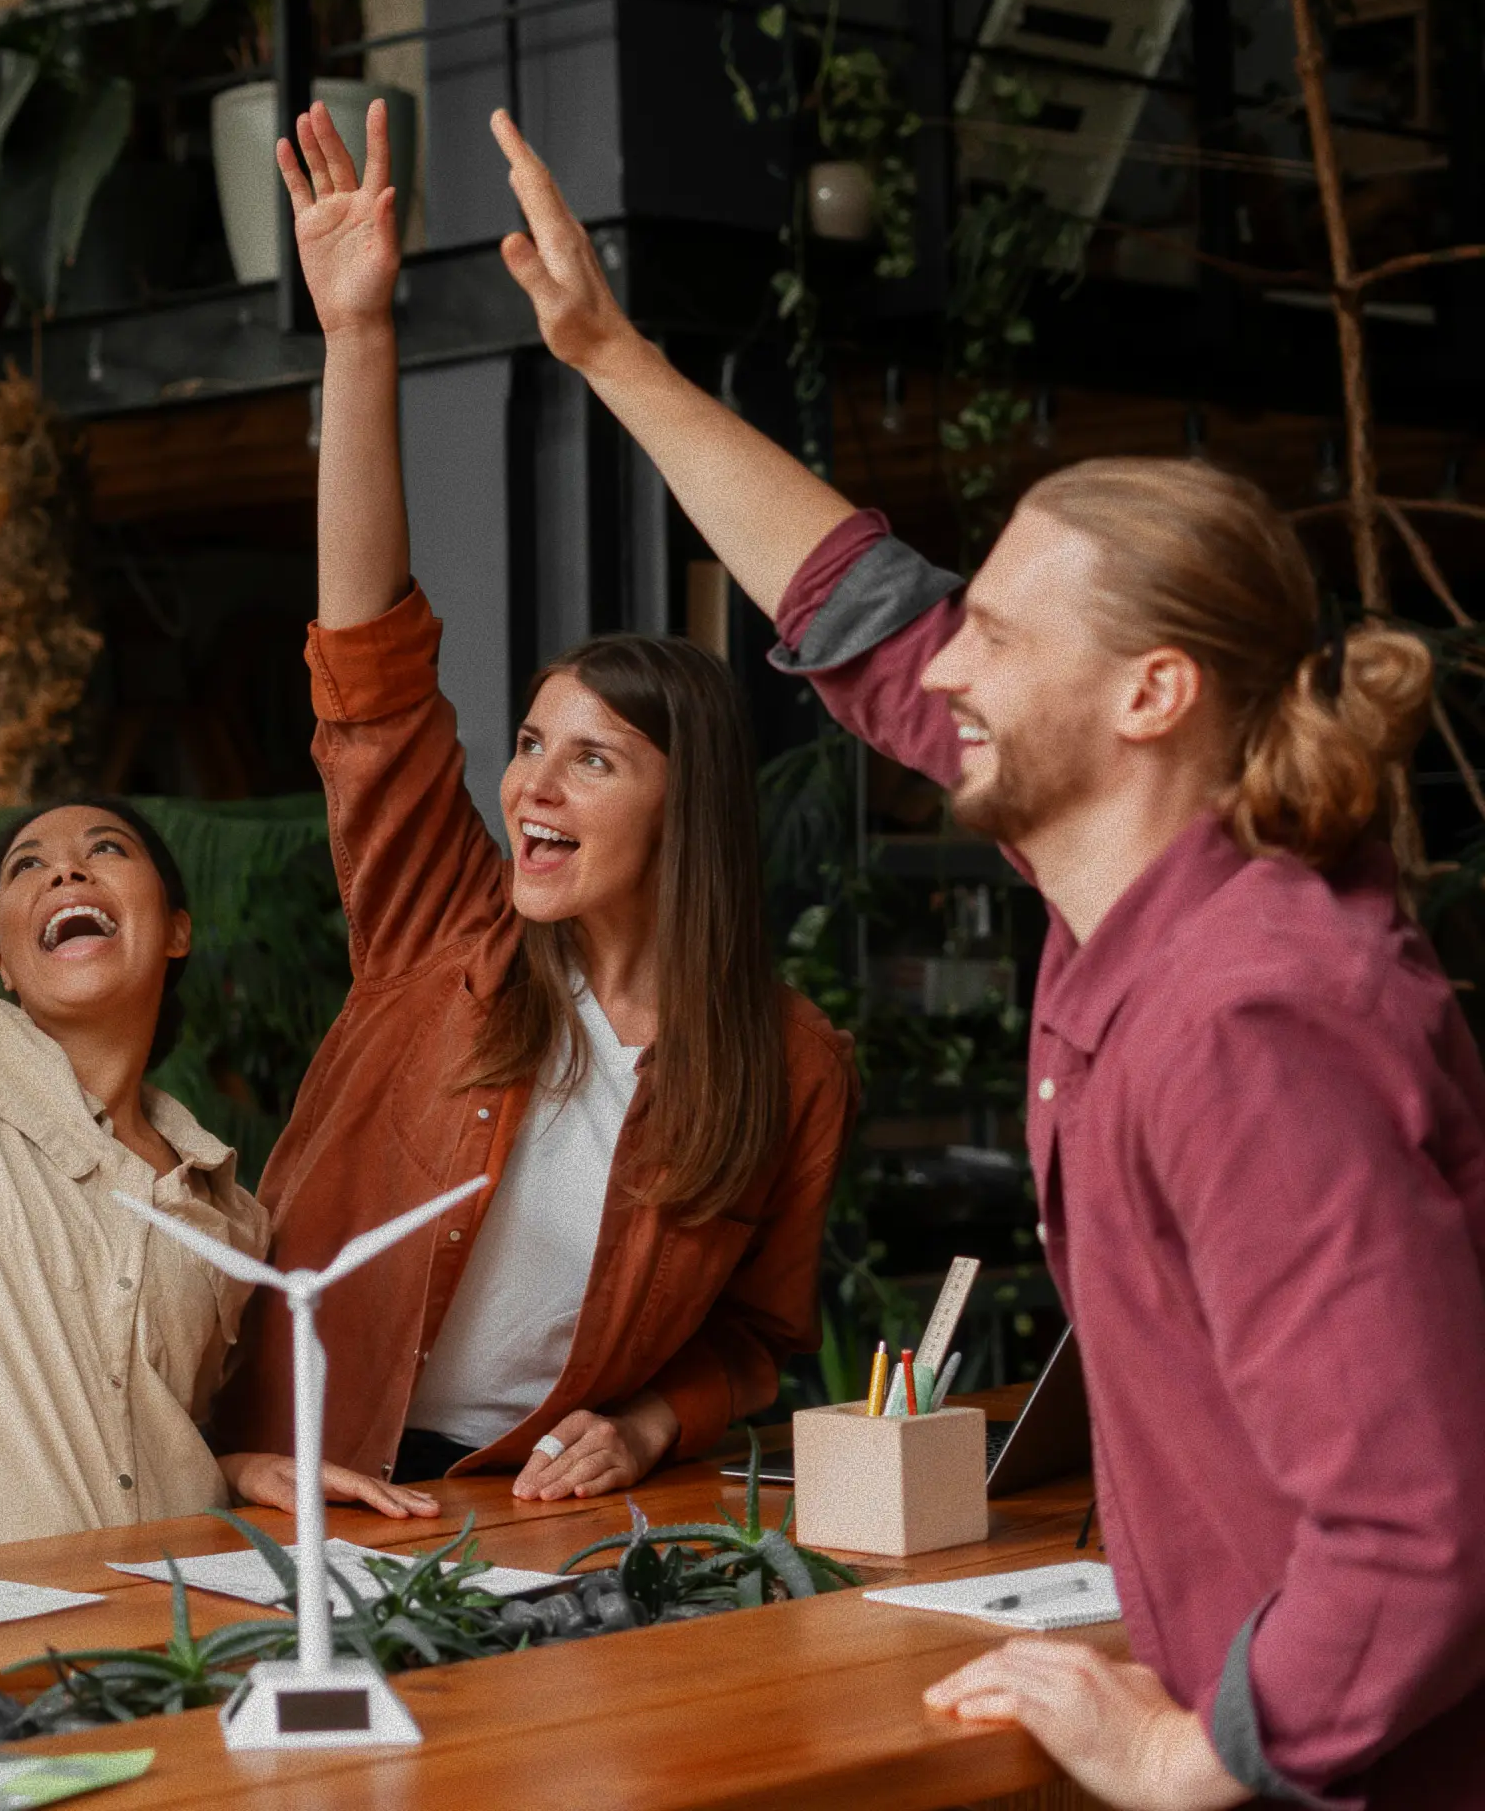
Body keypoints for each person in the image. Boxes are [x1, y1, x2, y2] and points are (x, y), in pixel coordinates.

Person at [484, 113, 1485, 1808]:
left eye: (1002, 640)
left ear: (1148, 697)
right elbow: (863, 617)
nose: (952, 675)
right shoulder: (1144, 885)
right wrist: (608, 353)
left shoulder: (1250, 1019)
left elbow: (1422, 1527)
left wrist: (1193, 1753)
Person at [0, 265, 434, 1588]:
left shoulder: (228, 1210)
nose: (65, 867)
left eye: (106, 850)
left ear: (172, 930)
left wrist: (226, 1468)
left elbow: (140, 1426)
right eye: (26, 868)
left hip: (171, 1622)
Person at [214, 103, 859, 1504]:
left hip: (519, 1515)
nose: (530, 783)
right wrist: (357, 333)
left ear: (685, 817)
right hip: (303, 1486)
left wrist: (646, 1427)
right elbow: (369, 674)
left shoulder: (794, 1065)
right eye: (528, 741)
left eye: (594, 759)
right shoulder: (444, 936)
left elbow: (755, 1342)